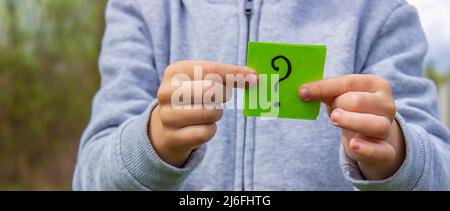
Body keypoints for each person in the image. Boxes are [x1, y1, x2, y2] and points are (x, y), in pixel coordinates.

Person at [73, 0, 450, 190]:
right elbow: (89, 177)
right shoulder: (145, 8)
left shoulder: (380, 12)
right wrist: (152, 143)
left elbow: (440, 173)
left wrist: (398, 155)